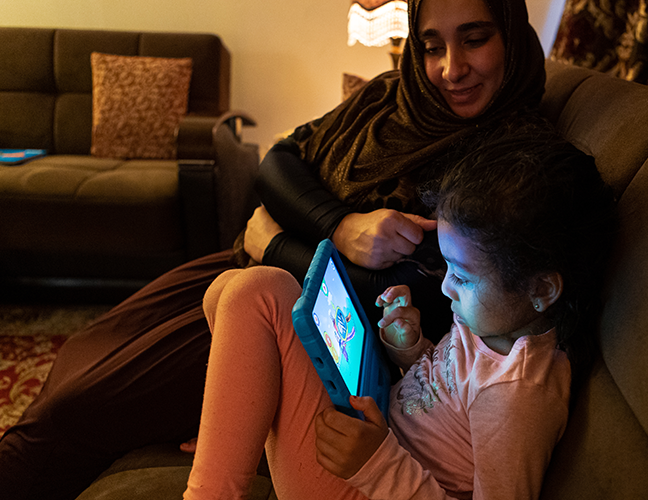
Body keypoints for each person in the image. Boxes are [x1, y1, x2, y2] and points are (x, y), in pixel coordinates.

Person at [0, 0, 547, 497]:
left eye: (476, 38)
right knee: (80, 354)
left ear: (513, 36)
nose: (451, 68)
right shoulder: (392, 98)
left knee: (69, 413)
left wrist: (277, 240)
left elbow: (391, 299)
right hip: (253, 265)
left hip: (299, 313)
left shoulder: (500, 175)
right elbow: (281, 160)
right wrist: (340, 224)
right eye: (430, 46)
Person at [183, 124, 618, 499]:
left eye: (463, 277)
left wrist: (375, 462)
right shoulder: (493, 323)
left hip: (367, 482)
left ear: (541, 288)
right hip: (376, 435)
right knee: (224, 290)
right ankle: (230, 439)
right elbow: (445, 399)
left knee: (260, 290)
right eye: (447, 266)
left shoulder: (516, 396)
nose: (446, 286)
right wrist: (413, 350)